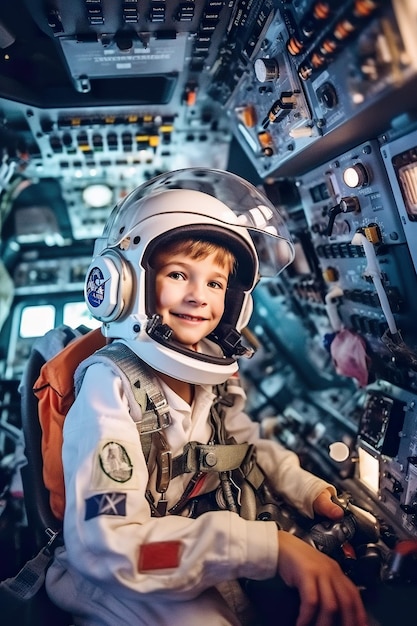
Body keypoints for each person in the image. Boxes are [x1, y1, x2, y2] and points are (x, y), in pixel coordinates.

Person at [45, 168, 368, 626]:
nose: (199, 297)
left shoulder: (213, 375)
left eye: (216, 283)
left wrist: (307, 489)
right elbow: (108, 545)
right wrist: (267, 548)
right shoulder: (109, 384)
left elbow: (246, 451)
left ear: (236, 300)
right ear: (125, 283)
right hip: (119, 572)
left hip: (192, 541)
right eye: (179, 274)